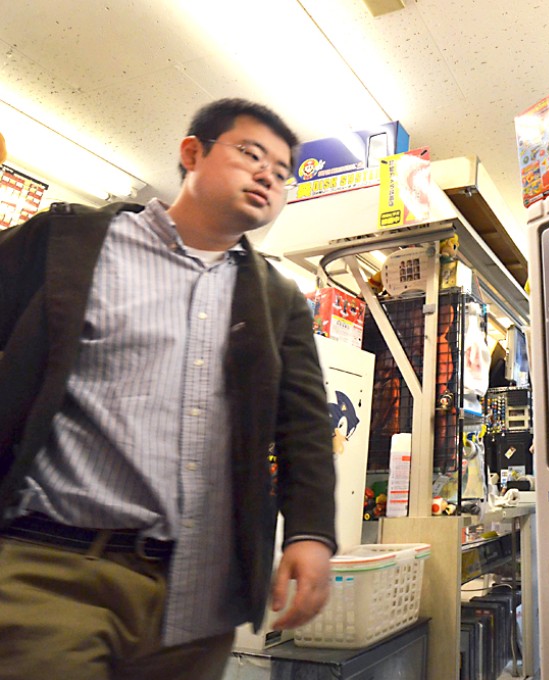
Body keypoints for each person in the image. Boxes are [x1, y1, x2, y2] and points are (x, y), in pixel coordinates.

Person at [0, 98, 337, 680]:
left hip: (198, 598)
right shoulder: (68, 242)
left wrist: (311, 536)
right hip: (51, 569)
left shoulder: (278, 302)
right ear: (192, 152)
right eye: (251, 154)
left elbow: (304, 426)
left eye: (282, 174)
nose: (267, 176)